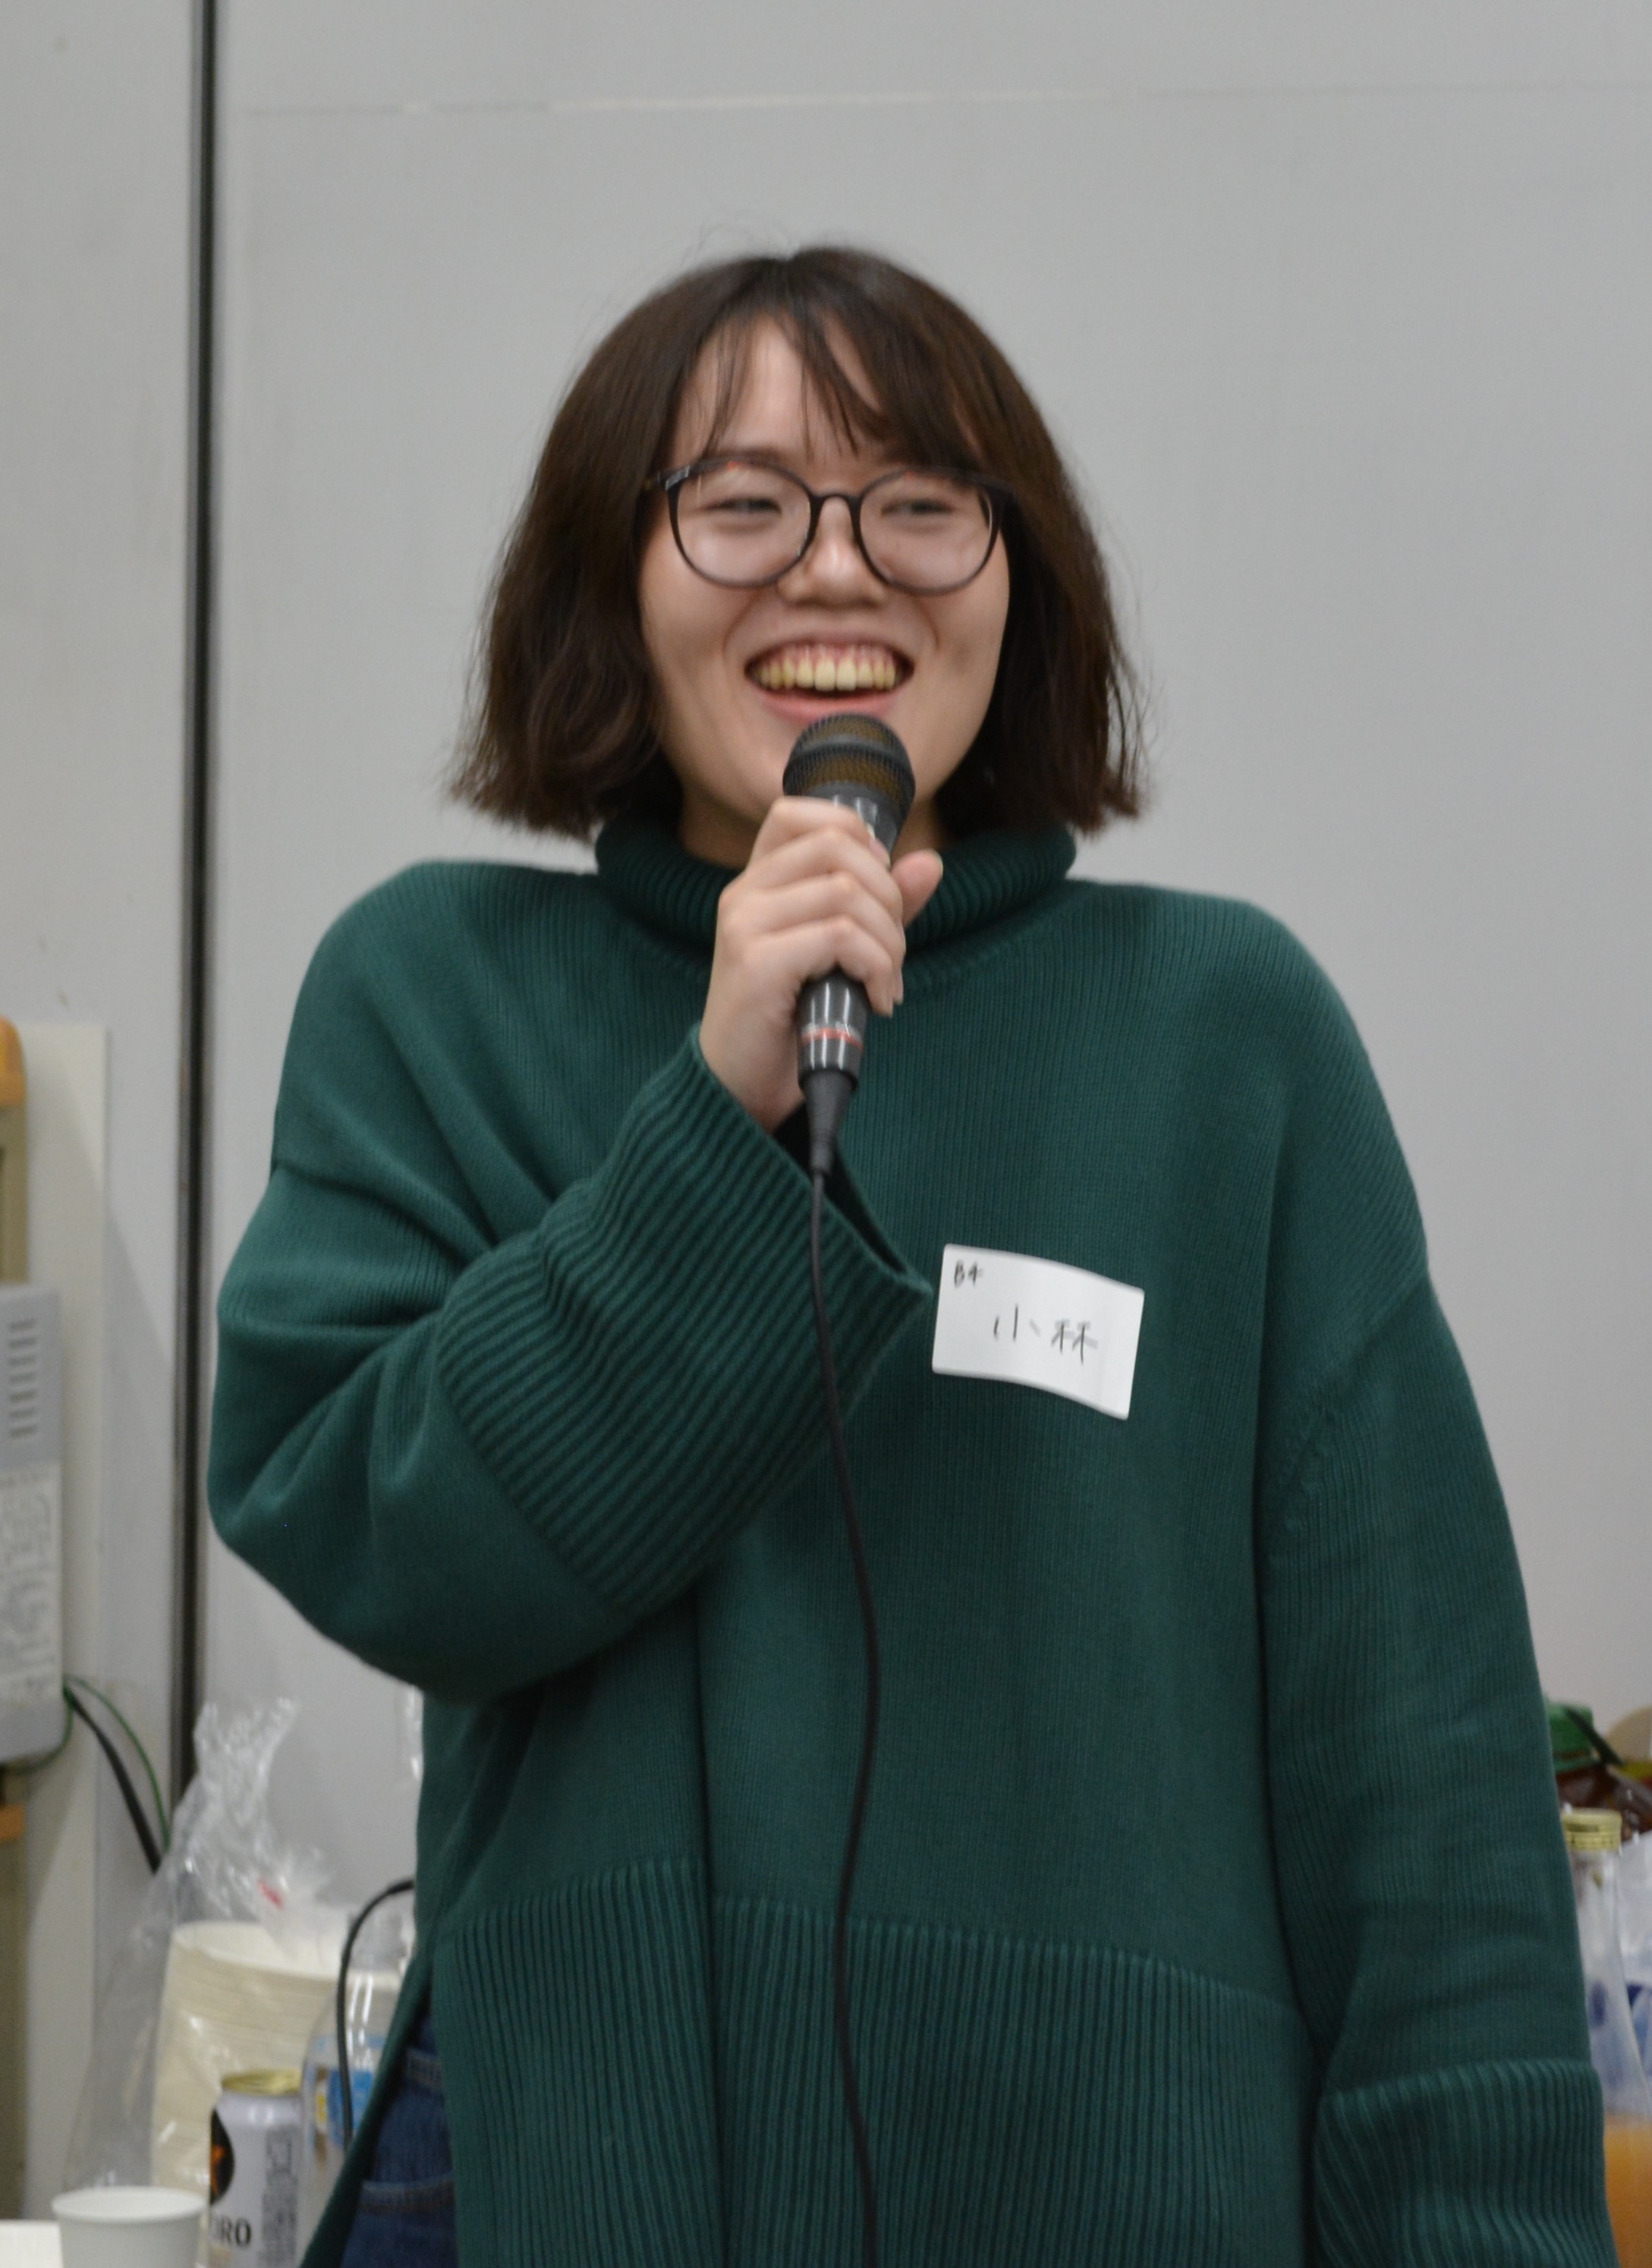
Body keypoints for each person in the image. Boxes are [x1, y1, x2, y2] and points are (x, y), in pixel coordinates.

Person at [209, 247, 1616, 2268]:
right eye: (744, 504)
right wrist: (715, 1116)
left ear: (1014, 577)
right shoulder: (433, 994)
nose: (837, 571)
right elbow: (369, 1529)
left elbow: (1424, 1794)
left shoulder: (1225, 1036)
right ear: (610, 576)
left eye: (920, 507)